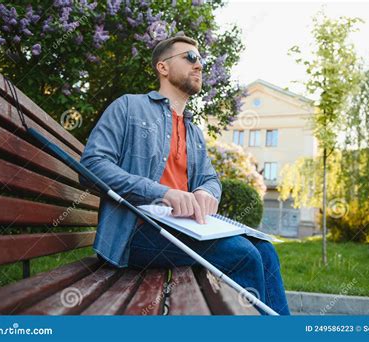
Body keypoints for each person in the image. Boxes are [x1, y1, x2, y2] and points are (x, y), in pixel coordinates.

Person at [80, 34, 290, 315]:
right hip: (136, 231)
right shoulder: (128, 107)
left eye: (201, 60)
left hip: (184, 228)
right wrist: (161, 193)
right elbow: (92, 166)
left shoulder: (194, 132)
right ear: (163, 67)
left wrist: (206, 192)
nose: (199, 65)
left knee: (265, 251)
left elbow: (210, 179)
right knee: (243, 255)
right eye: (190, 57)